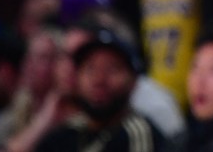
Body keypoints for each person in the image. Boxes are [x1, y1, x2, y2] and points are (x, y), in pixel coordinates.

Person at [36, 28, 167, 152]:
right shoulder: (67, 132)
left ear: (133, 81)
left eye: (112, 69)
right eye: (90, 68)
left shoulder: (139, 134)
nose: (99, 79)